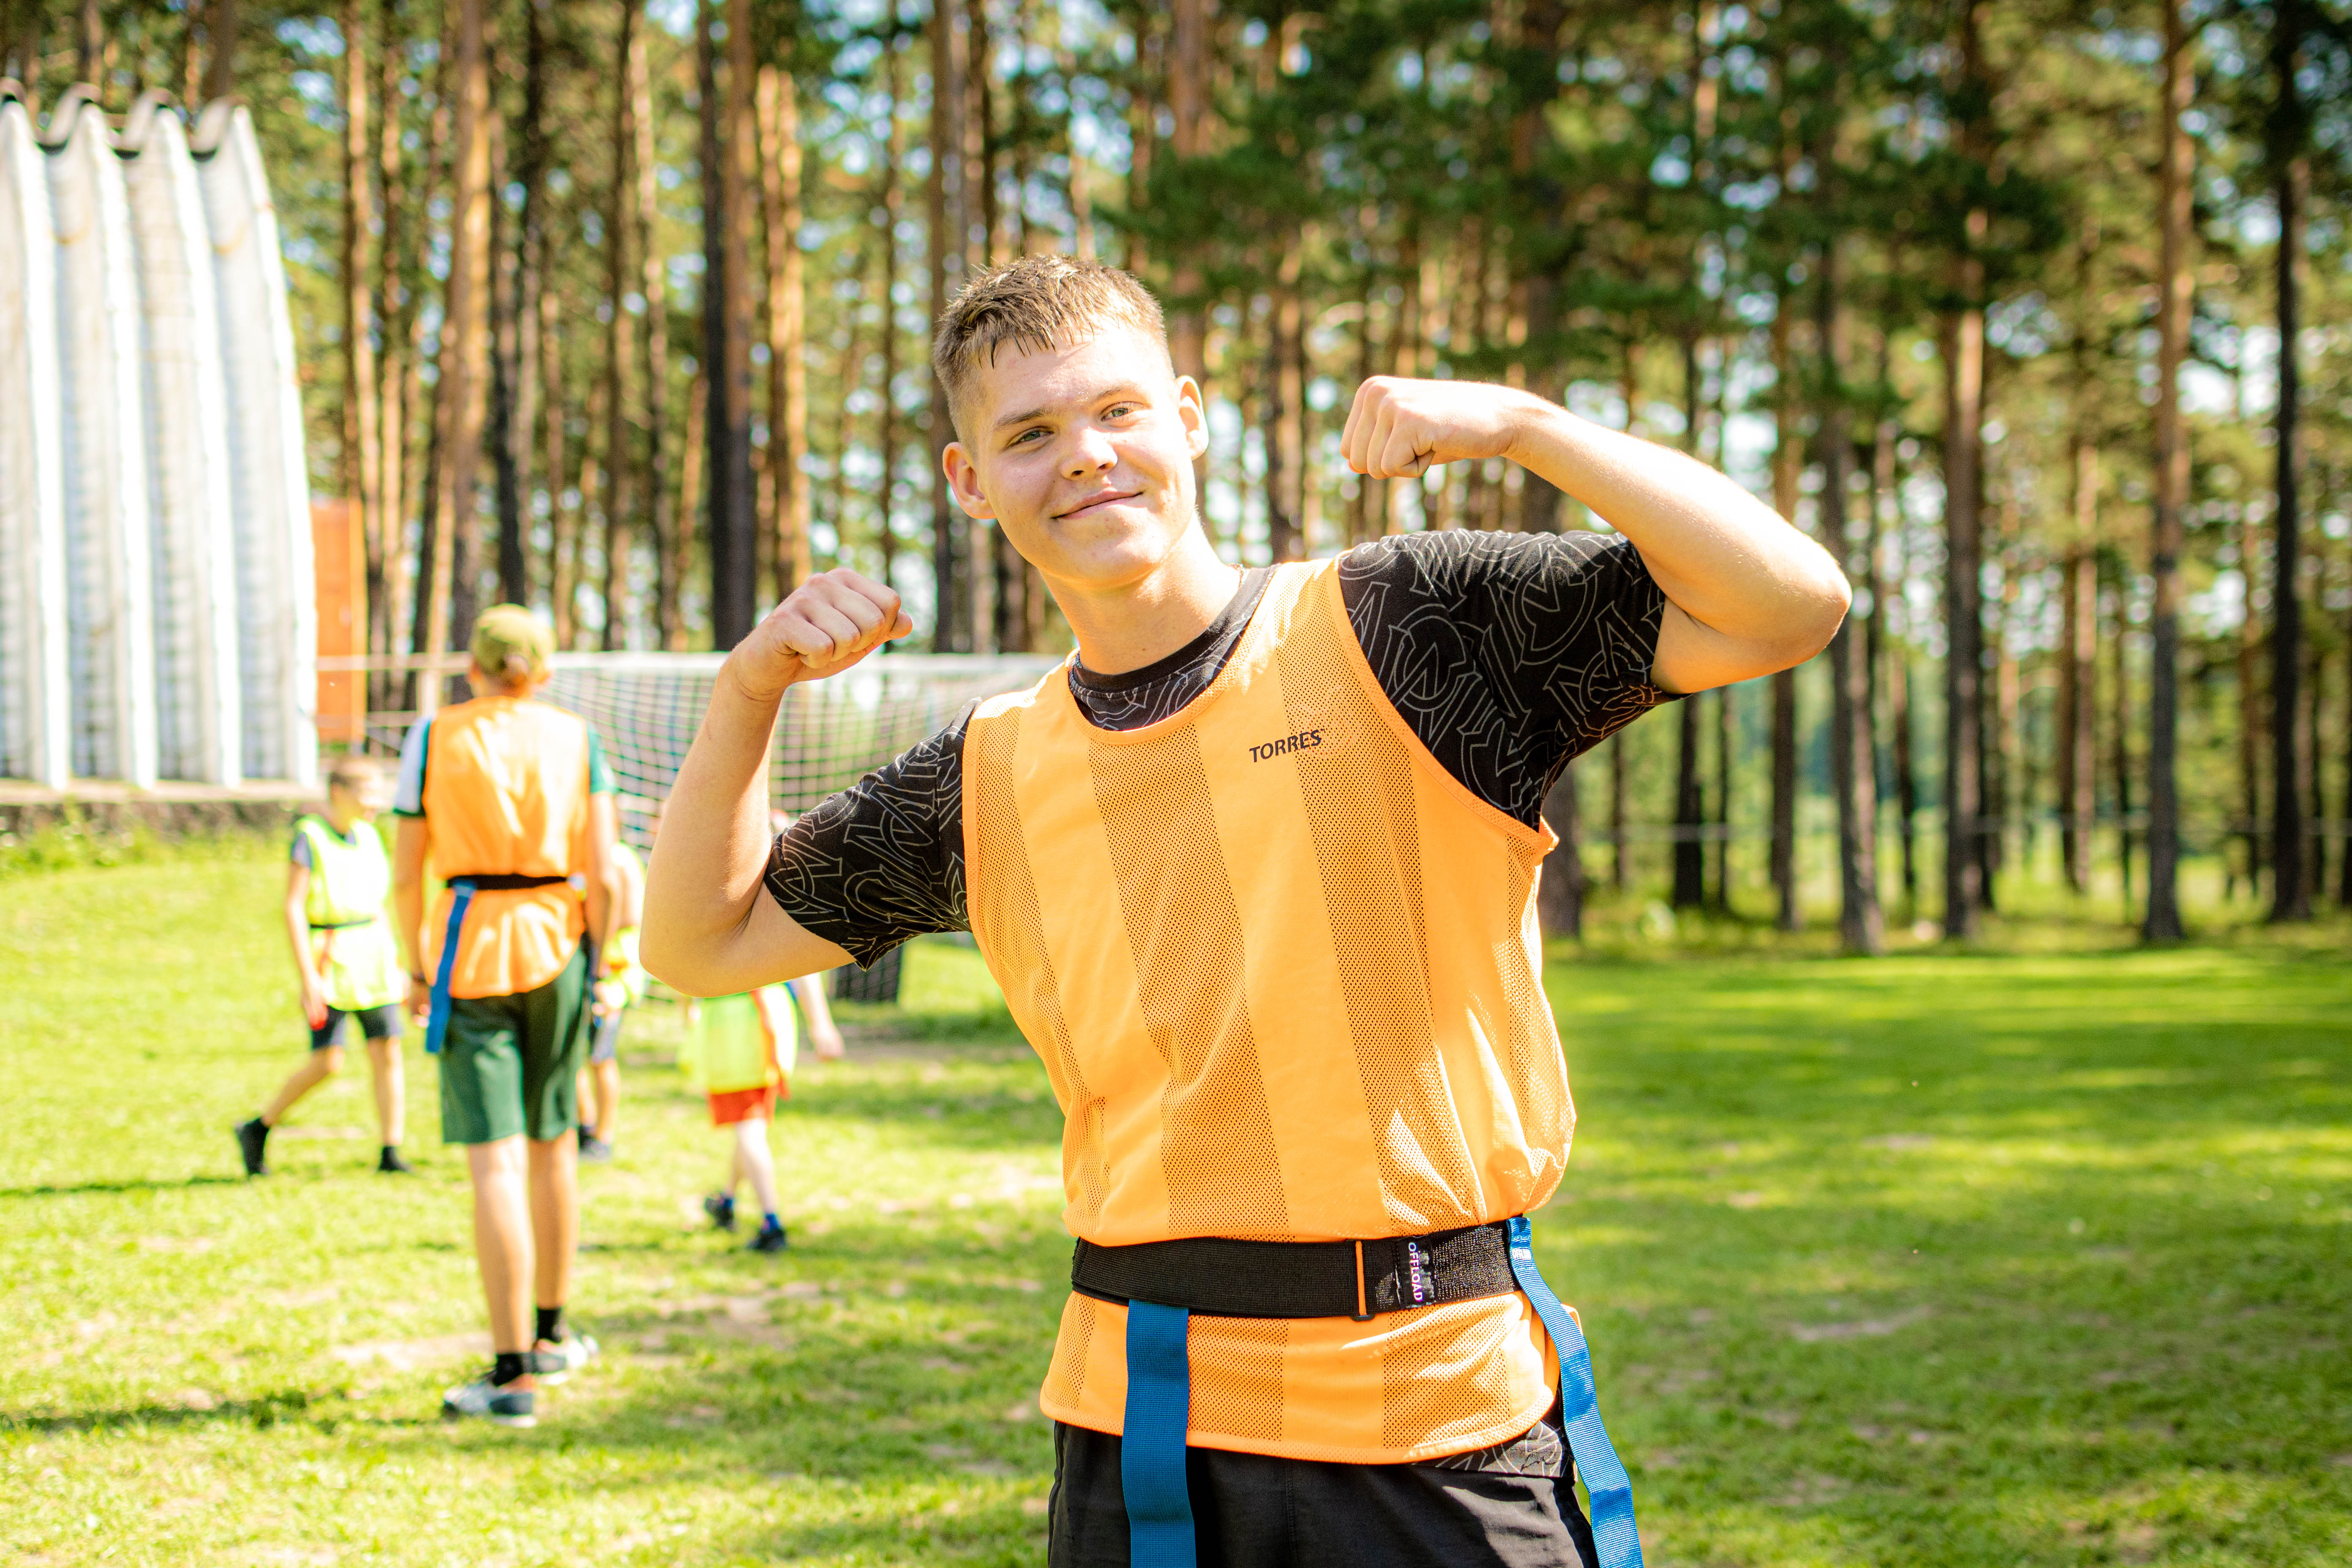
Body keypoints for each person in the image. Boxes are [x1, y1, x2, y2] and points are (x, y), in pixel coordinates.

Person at [645, 257, 1847, 1568]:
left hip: (1431, 1410)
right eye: (1029, 434)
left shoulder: (1404, 624)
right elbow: (697, 946)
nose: (1086, 458)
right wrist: (749, 686)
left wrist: (1527, 426)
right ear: (968, 482)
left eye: (1116, 412)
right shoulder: (982, 776)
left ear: (1190, 416)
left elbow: (1788, 602)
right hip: (1140, 1428)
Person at [392, 604, 626, 1428]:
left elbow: (404, 872)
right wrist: (603, 966)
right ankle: (554, 1333)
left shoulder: (432, 736)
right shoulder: (577, 737)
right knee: (554, 1139)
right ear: (545, 668)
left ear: (473, 667)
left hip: (468, 945)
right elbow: (602, 869)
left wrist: (418, 966)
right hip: (560, 943)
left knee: (494, 1162)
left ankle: (511, 1373)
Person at [235, 754, 411, 1177]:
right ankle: (259, 1127)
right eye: (365, 792)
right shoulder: (310, 837)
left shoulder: (370, 837)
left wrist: (396, 963)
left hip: (373, 960)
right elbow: (293, 906)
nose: (374, 802)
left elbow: (378, 904)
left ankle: (391, 1150)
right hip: (331, 960)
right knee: (327, 1062)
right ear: (338, 792)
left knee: (387, 1051)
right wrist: (308, 975)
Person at [683, 972, 843, 1253]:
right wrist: (820, 1022)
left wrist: (821, 1023)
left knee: (749, 1128)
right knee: (749, 1123)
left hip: (735, 1028)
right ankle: (727, 1200)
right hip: (767, 1020)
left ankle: (772, 1223)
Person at [576, 835, 646, 1163]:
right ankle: (584, 1126)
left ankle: (604, 1136)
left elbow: (631, 916)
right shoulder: (580, 852)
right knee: (574, 1054)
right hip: (586, 966)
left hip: (613, 971)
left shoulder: (620, 859)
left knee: (600, 1056)